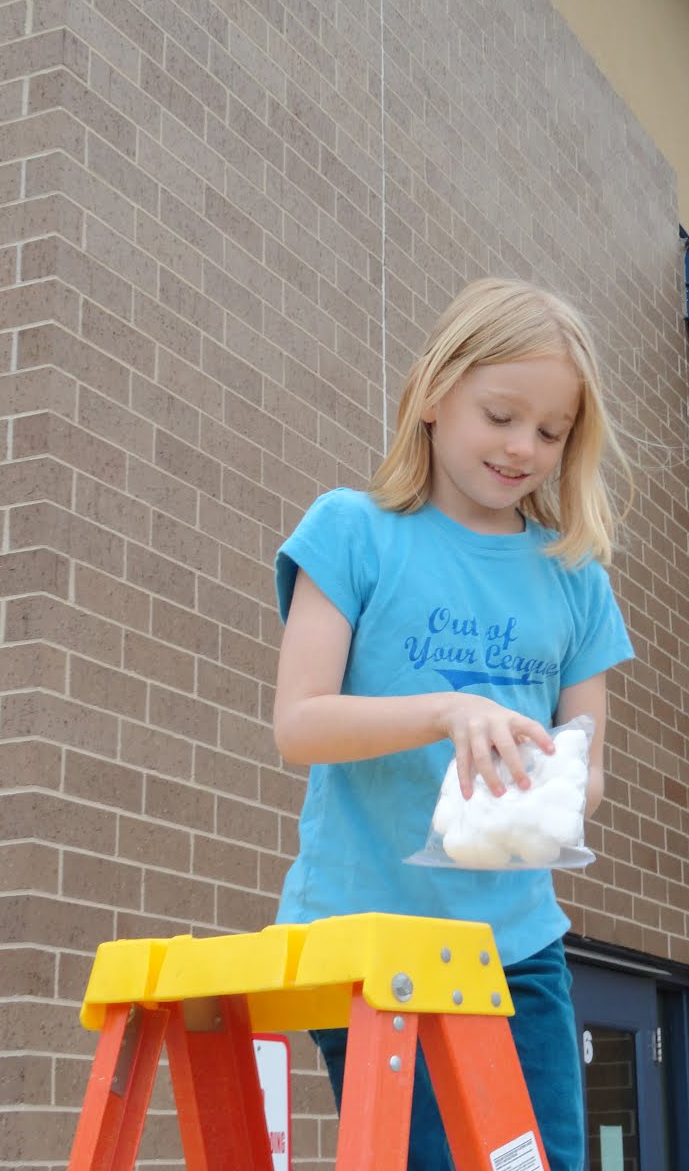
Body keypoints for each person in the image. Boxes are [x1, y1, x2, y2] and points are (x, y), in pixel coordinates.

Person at [272, 277, 634, 1169]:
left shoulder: (575, 579)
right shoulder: (352, 533)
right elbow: (301, 724)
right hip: (371, 940)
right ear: (433, 394)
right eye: (502, 415)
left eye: (551, 433)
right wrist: (450, 710)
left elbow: (586, 770)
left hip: (517, 949)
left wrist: (549, 786)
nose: (524, 448)